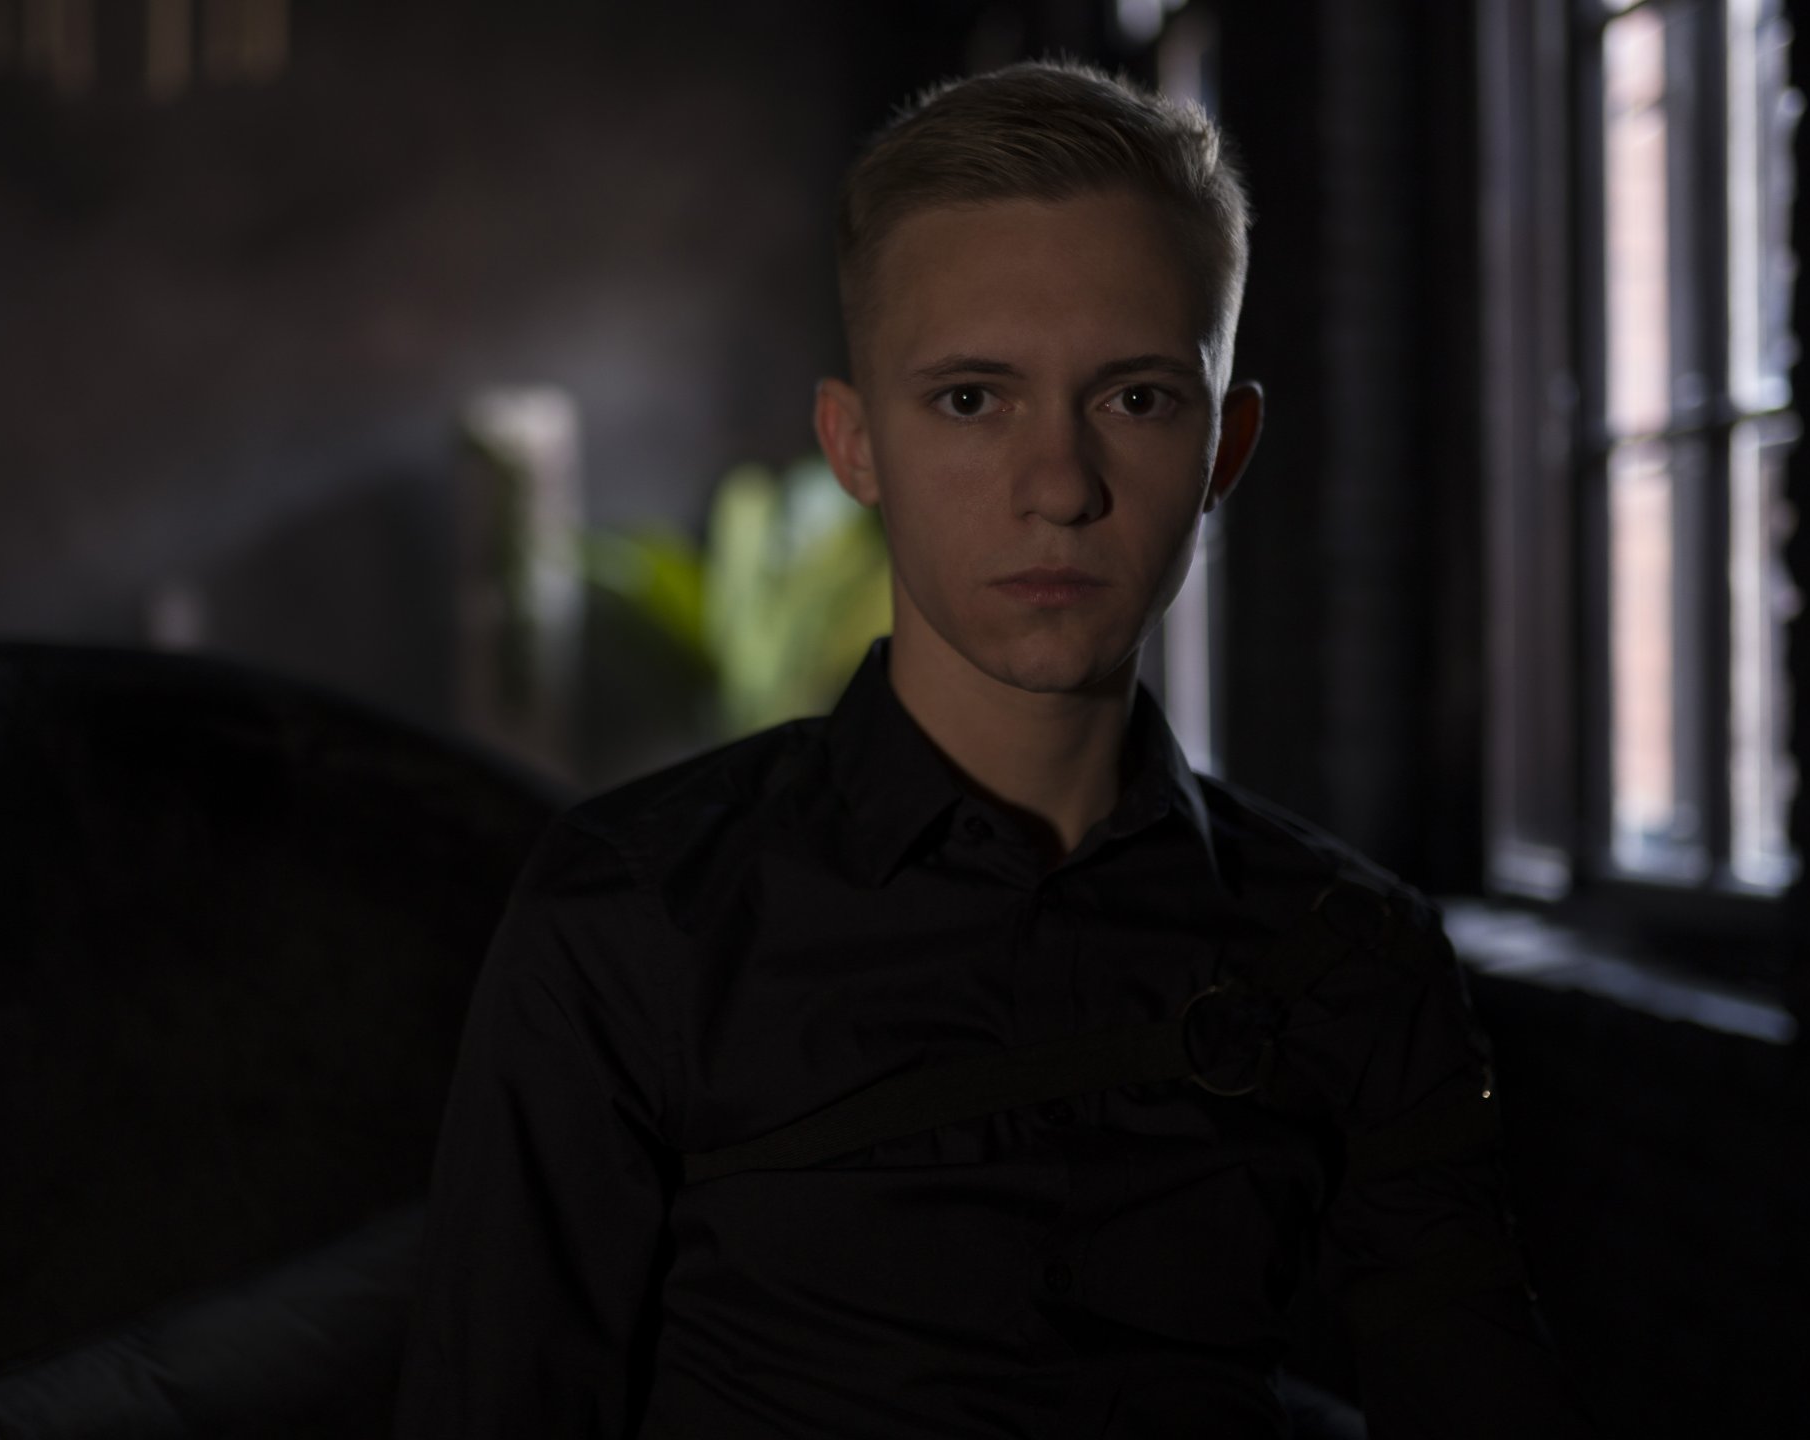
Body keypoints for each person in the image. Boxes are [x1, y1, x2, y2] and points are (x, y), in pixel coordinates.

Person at [394, 58, 1597, 1439]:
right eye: (973, 399)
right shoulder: (631, 917)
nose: (1059, 487)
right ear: (855, 444)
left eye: (1137, 399)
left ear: (1227, 446)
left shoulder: (1347, 951)